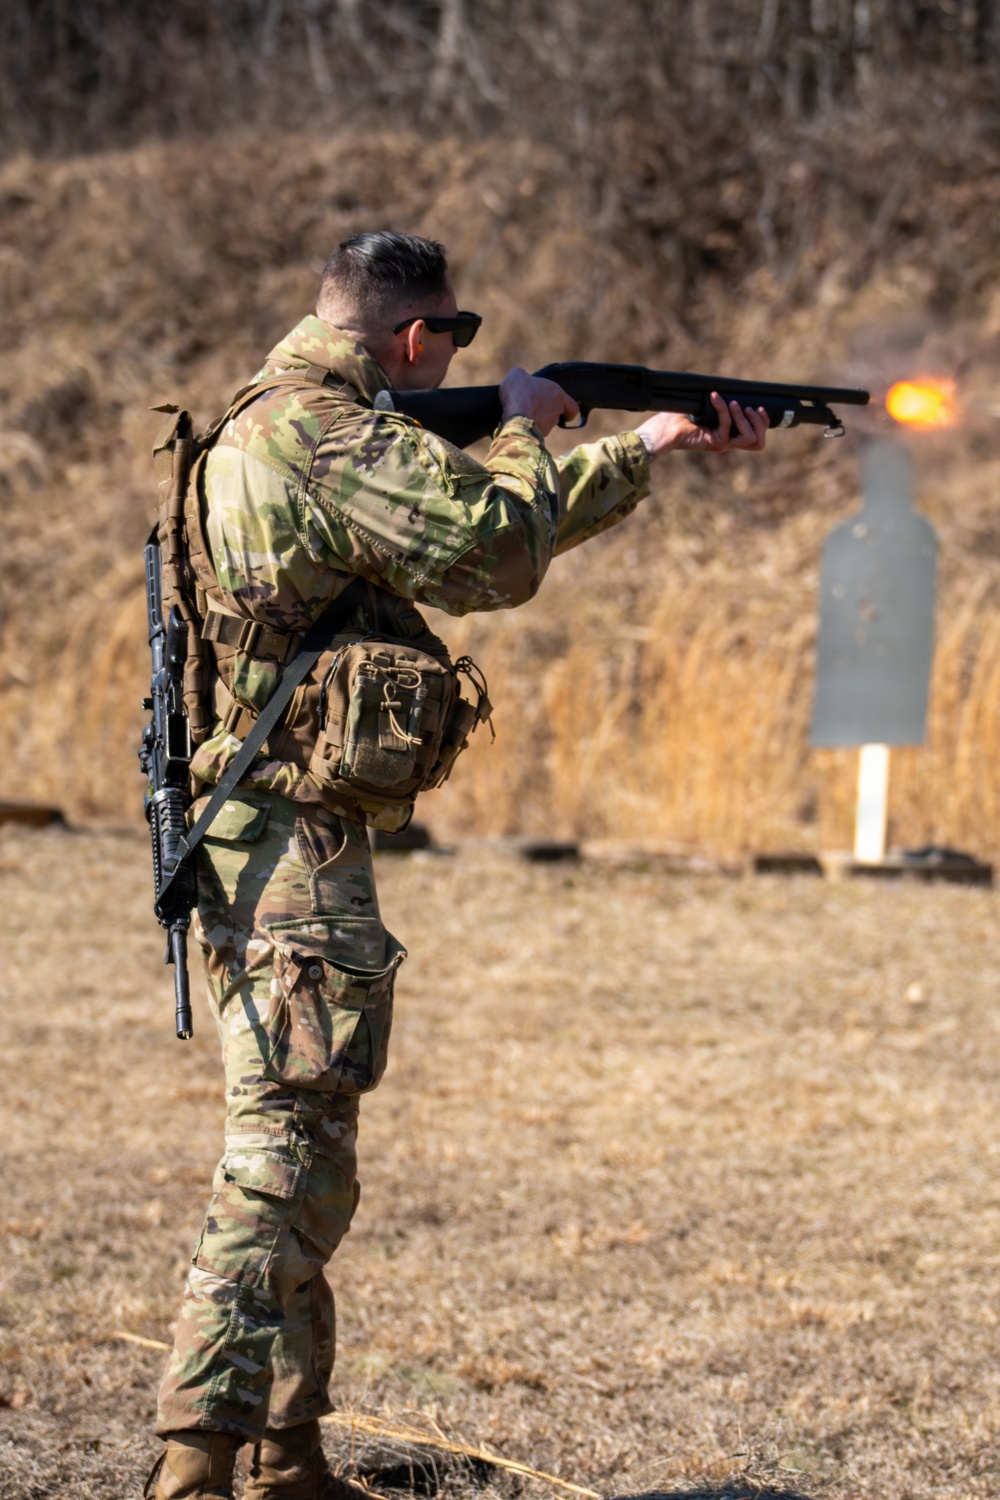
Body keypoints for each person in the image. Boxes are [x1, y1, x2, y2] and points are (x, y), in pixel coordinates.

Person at [147, 230, 768, 1500]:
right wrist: (532, 422)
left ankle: (280, 1453)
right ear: (418, 338)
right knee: (282, 1148)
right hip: (284, 835)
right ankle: (196, 1455)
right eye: (458, 337)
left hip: (264, 828)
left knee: (314, 1148)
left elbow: (456, 536)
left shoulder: (270, 424)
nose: (463, 359)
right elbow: (488, 552)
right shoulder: (322, 434)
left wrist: (645, 446)